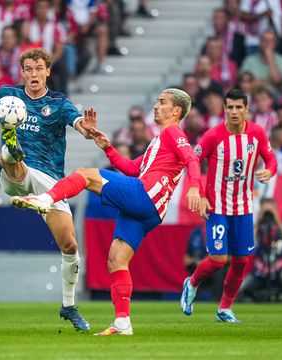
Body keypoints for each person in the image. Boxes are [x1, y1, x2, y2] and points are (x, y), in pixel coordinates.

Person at [10, 88, 202, 336]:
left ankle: (46, 199)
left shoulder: (174, 132)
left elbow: (192, 159)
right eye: (156, 101)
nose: (155, 106)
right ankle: (122, 322)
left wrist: (195, 187)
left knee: (85, 174)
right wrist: (107, 147)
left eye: (162, 102)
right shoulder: (159, 139)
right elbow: (133, 169)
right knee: (116, 259)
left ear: (176, 111)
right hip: (150, 211)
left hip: (145, 196)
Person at [0, 48, 96, 331]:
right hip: (16, 173)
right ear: (22, 72)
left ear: (47, 71)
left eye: (38, 69)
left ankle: (68, 306)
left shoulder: (58, 103)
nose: (33, 74)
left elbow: (78, 124)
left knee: (70, 245)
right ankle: (10, 145)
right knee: (13, 159)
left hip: (50, 183)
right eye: (28, 69)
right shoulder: (8, 95)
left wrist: (88, 129)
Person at [180, 89, 277, 323]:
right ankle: (191, 284)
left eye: (238, 107)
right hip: (217, 207)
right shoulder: (213, 135)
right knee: (218, 259)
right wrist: (200, 194)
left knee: (242, 260)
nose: (234, 112)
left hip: (243, 207)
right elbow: (194, 160)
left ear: (246, 109)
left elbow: (271, 159)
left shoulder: (257, 133)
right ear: (224, 109)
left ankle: (225, 309)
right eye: (230, 107)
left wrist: (269, 170)